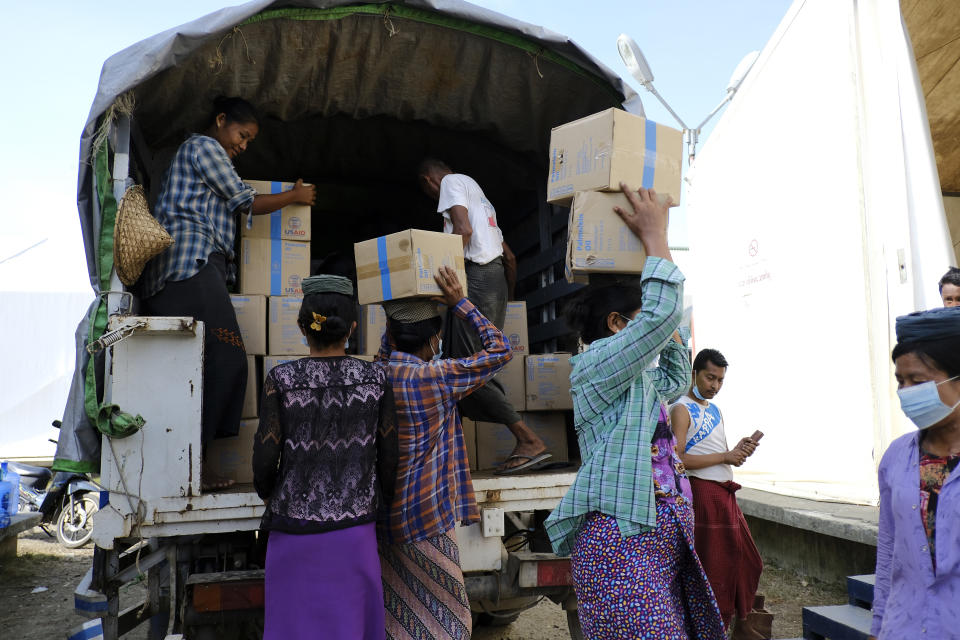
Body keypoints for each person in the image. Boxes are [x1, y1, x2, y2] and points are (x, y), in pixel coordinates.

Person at [545, 185, 725, 639]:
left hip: (655, 542)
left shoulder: (639, 381)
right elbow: (663, 316)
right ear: (616, 325)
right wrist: (655, 238)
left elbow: (676, 374)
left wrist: (666, 332)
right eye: (639, 320)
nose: (650, 329)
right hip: (621, 547)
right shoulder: (595, 366)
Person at [138, 96, 316, 489]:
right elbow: (246, 202)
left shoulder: (210, 158)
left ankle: (191, 463)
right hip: (190, 263)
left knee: (208, 365)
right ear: (220, 121)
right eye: (242, 134)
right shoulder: (204, 147)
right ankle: (194, 466)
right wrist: (295, 196)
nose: (244, 145)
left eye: (250, 140)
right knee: (230, 358)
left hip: (199, 269)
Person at [253, 275, 397, 640]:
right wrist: (380, 506)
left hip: (293, 536)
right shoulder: (376, 379)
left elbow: (265, 458)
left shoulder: (281, 379)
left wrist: (268, 493)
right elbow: (389, 458)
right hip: (354, 537)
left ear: (303, 326)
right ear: (352, 327)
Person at [376, 266, 511, 639]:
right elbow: (500, 349)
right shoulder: (438, 378)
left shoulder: (376, 375)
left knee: (396, 612)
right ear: (435, 339)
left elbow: (385, 349)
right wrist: (460, 304)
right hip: (427, 518)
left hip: (385, 517)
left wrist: (396, 309)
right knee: (446, 617)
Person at [418, 158, 548, 473]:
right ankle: (453, 453)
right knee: (465, 362)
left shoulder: (451, 184)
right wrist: (509, 298)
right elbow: (511, 258)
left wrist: (443, 273)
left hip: (476, 278)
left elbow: (463, 230)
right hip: (494, 283)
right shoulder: (481, 200)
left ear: (428, 181)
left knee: (465, 367)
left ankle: (528, 439)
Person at [870, 306, 960, 639]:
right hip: (904, 628)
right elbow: (889, 551)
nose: (907, 392)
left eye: (918, 382)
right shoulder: (897, 457)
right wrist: (878, 626)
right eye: (901, 381)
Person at [670, 349, 768, 639]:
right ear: (694, 374)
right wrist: (726, 456)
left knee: (749, 561)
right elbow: (679, 459)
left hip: (725, 492)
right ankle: (715, 629)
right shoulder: (681, 408)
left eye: (720, 380)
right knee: (716, 567)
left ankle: (742, 622)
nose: (715, 385)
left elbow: (718, 453)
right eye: (710, 377)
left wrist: (736, 451)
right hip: (703, 493)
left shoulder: (714, 410)